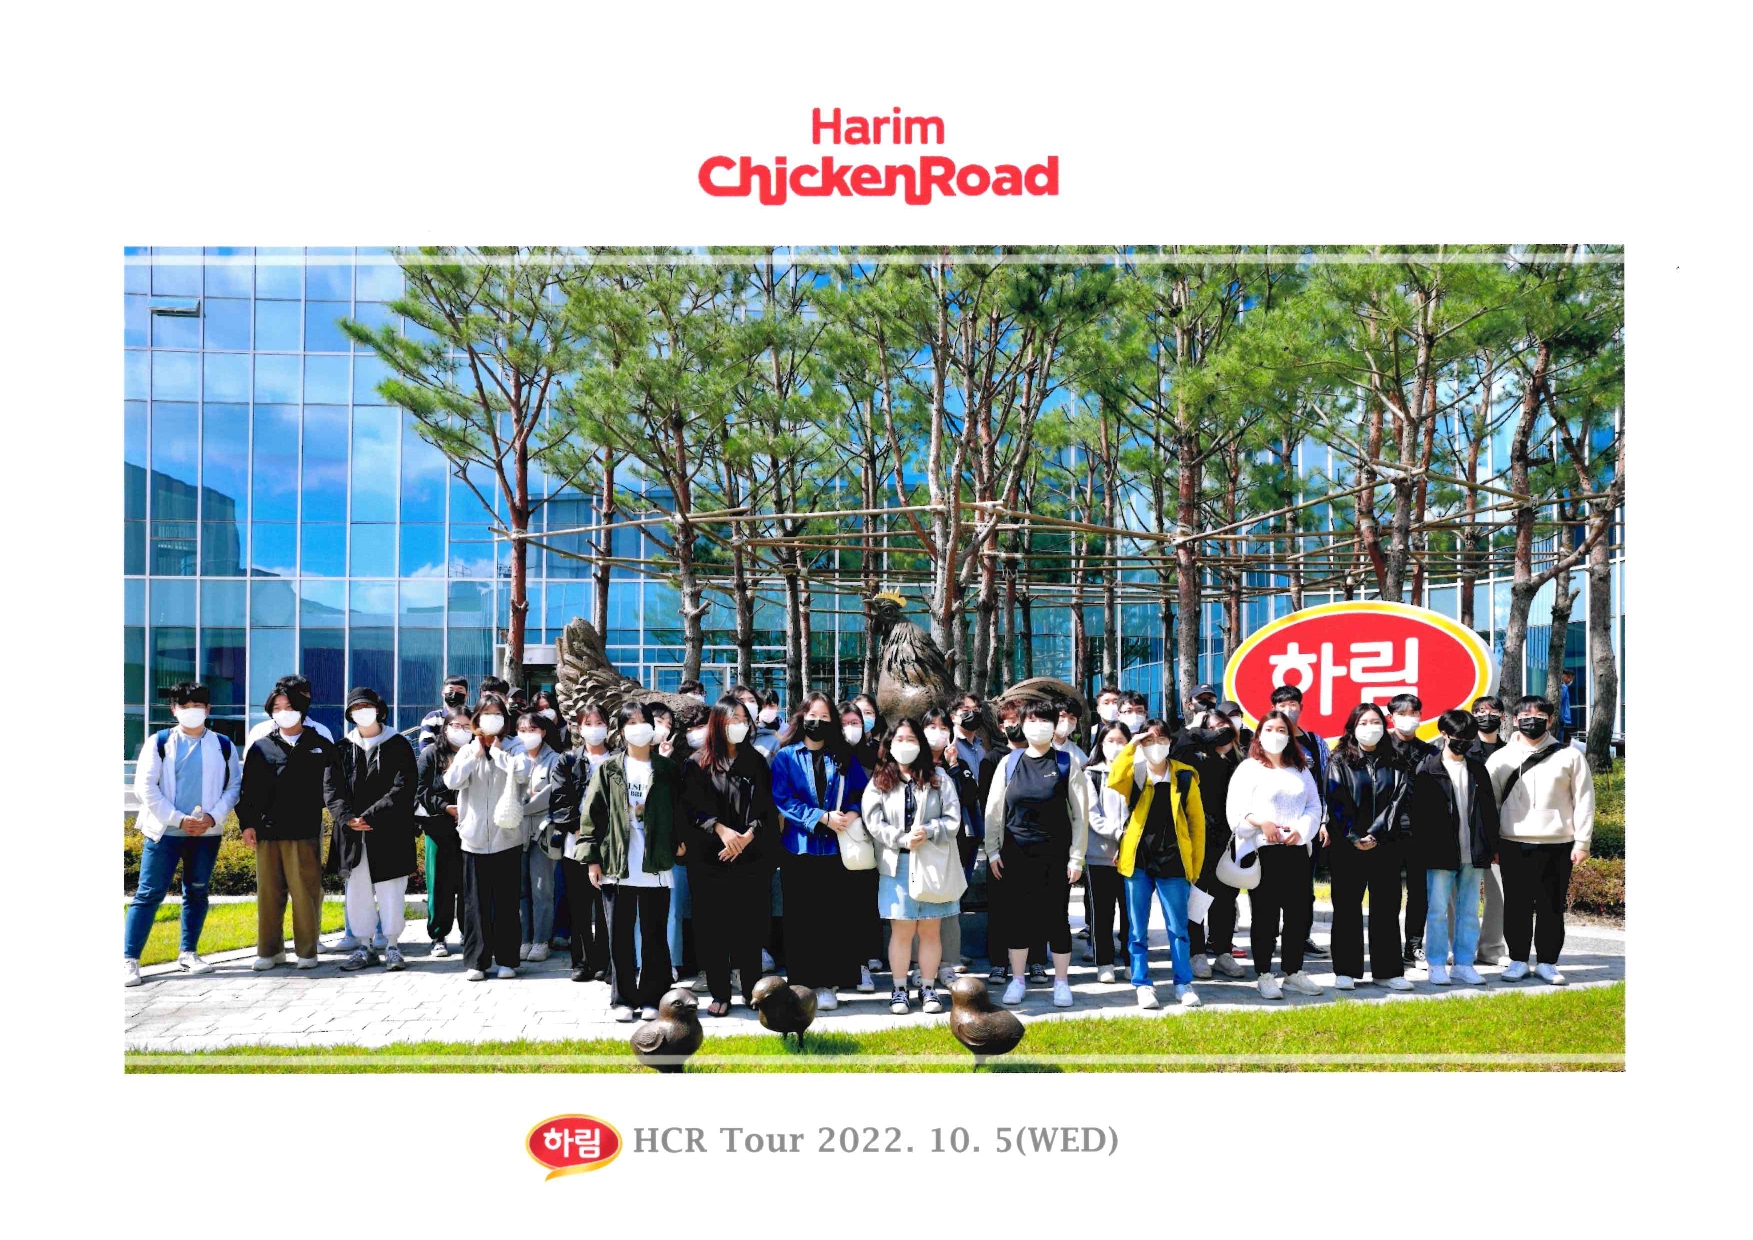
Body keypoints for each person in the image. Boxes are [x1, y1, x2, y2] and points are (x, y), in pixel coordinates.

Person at [125, 682, 243, 985]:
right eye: (184, 706)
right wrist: (178, 819)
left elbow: (234, 786)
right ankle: (129, 959)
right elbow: (145, 787)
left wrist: (212, 817)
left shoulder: (223, 744)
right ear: (174, 710)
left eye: (197, 706)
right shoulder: (160, 742)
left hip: (206, 833)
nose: (192, 711)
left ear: (208, 709)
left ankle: (188, 952)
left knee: (197, 891)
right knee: (149, 894)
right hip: (164, 833)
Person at [982, 700, 1091, 1009]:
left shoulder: (1066, 763)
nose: (1038, 726)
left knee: (1056, 919)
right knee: (1018, 918)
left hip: (1056, 857)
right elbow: (994, 810)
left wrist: (1077, 857)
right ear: (1022, 725)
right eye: (1032, 720)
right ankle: (1017, 980)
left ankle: (1061, 982)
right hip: (1014, 855)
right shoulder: (1009, 763)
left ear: (1054, 725)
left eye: (1045, 720)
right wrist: (992, 851)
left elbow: (1080, 816)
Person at [579, 702, 684, 1021]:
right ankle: (622, 999)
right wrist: (592, 859)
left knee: (655, 935)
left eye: (644, 721)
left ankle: (653, 998)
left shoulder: (666, 769)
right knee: (619, 936)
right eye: (632, 722)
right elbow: (591, 815)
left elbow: (680, 809)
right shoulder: (609, 769)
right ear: (622, 731)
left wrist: (680, 842)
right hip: (617, 863)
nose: (639, 727)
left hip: (655, 863)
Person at [769, 692, 872, 1010]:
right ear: (801, 718)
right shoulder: (786, 757)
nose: (818, 722)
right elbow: (783, 799)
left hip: (836, 849)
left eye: (825, 717)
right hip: (798, 848)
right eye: (812, 716)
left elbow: (861, 792)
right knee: (800, 918)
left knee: (833, 917)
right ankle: (801, 982)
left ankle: (829, 983)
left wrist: (851, 813)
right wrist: (821, 817)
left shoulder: (843, 756)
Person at [679, 696, 780, 1017]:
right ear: (718, 722)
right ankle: (720, 992)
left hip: (751, 857)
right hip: (710, 860)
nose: (739, 724)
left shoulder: (756, 761)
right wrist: (721, 831)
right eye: (732, 718)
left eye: (743, 718)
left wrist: (747, 836)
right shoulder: (697, 763)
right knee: (713, 929)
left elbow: (767, 808)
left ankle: (752, 989)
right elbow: (690, 811)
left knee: (749, 928)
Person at [1488, 695, 1595, 985]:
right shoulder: (1500, 758)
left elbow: (1584, 800)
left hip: (1558, 843)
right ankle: (1518, 961)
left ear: (1550, 720)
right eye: (1525, 716)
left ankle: (1548, 962)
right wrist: (1492, 844)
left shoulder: (1570, 756)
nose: (1531, 721)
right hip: (1512, 842)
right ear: (1514, 720)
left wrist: (1582, 842)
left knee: (1552, 906)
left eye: (1538, 717)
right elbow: (1490, 805)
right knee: (1516, 905)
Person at [862, 717, 965, 1015]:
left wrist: (929, 830)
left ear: (920, 744)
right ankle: (899, 989)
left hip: (931, 863)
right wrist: (900, 838)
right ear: (889, 744)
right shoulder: (880, 780)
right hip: (897, 864)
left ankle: (928, 987)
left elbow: (953, 819)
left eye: (911, 739)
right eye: (899, 739)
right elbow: (873, 820)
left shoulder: (938, 777)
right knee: (902, 930)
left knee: (931, 929)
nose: (905, 745)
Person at [1227, 709, 1325, 999]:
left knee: (1299, 914)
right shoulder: (1248, 769)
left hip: (1296, 850)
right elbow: (1236, 811)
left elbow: (1314, 806)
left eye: (1282, 730)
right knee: (1265, 916)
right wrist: (1261, 823)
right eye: (1269, 729)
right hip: (1263, 852)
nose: (1276, 735)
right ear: (1259, 734)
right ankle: (1264, 973)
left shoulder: (1300, 769)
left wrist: (1302, 829)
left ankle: (1293, 971)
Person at [1107, 718, 1205, 1009]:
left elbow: (1197, 824)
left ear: (1170, 742)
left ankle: (1183, 983)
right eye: (1149, 740)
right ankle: (1142, 983)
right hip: (1138, 860)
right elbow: (1114, 778)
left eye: (1161, 739)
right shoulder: (1135, 772)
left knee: (1178, 928)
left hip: (1174, 860)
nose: (1156, 746)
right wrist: (1132, 745)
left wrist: (1195, 867)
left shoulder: (1184, 776)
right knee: (1137, 929)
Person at [237, 681, 334, 971]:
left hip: (304, 830)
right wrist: (247, 824)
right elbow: (248, 791)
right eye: (277, 708)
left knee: (305, 892)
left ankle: (307, 951)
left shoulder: (320, 745)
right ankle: (270, 951)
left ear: (301, 709)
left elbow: (333, 788)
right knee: (269, 893)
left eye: (289, 707)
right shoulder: (261, 747)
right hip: (267, 831)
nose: (283, 712)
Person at [323, 686, 418, 972]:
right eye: (355, 708)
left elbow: (403, 787)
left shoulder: (398, 745)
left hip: (389, 831)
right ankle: (363, 946)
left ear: (379, 710)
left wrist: (371, 816)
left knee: (391, 890)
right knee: (358, 890)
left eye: (366, 706)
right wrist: (348, 818)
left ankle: (392, 945)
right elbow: (331, 789)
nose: (361, 712)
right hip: (352, 833)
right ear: (349, 714)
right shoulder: (342, 748)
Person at [1404, 710, 1501, 986]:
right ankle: (1436, 963)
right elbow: (1415, 814)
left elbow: (1489, 812)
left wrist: (1492, 846)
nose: (1464, 742)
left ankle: (1464, 964)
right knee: (1436, 911)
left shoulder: (1478, 769)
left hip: (1473, 850)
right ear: (1444, 734)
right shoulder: (1427, 769)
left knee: (1469, 911)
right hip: (1438, 851)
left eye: (1469, 738)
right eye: (1459, 737)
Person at [1324, 703, 1415, 991]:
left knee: (1386, 909)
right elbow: (1336, 800)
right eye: (1363, 723)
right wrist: (1354, 836)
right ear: (1352, 727)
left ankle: (1387, 971)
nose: (1370, 728)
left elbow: (1398, 800)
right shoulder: (1339, 760)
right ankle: (1345, 970)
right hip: (1347, 847)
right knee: (1347, 908)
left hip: (1386, 845)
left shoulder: (1396, 760)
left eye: (1375, 722)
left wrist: (1375, 834)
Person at [443, 693, 531, 980]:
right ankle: (477, 961)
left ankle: (507, 960)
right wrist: (476, 756)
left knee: (507, 902)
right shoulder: (468, 749)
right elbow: (451, 781)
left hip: (507, 837)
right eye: (486, 714)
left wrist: (499, 754)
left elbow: (523, 773)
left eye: (497, 714)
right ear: (477, 719)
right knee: (475, 904)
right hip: (474, 839)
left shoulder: (515, 746)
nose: (492, 719)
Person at [1175, 709, 1244, 980]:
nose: (1221, 733)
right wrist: (1197, 732)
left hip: (1232, 838)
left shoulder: (1240, 758)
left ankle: (1224, 951)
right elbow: (1177, 749)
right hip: (1200, 837)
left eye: (1225, 727)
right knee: (1198, 894)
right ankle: (1196, 952)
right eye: (1213, 728)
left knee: (1226, 896)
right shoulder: (1196, 755)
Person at [1271, 684, 1332, 961]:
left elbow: (1325, 785)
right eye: (1282, 706)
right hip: (1271, 828)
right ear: (1273, 709)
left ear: (1301, 707)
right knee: (1270, 887)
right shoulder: (1264, 742)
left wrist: (1323, 821)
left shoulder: (1315, 742)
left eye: (1292, 705)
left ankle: (1300, 937)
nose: (1288, 710)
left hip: (1306, 827)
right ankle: (1268, 938)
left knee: (1303, 887)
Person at [976, 697, 1028, 984]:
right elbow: (988, 807)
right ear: (1000, 726)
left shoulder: (1044, 757)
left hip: (1035, 844)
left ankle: (1035, 960)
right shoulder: (993, 759)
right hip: (1004, 843)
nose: (1015, 725)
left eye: (1020, 720)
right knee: (1000, 907)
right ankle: (998, 962)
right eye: (1010, 721)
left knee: (1033, 905)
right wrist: (992, 848)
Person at [926, 707, 977, 984]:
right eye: (932, 727)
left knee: (949, 905)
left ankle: (948, 962)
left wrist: (954, 766)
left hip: (951, 844)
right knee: (921, 907)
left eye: (943, 728)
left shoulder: (957, 764)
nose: (938, 733)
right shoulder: (913, 764)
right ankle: (921, 965)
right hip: (920, 845)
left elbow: (970, 796)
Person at [416, 708, 470, 956]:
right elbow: (421, 791)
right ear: (445, 728)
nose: (461, 731)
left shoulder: (477, 753)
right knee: (439, 883)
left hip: (470, 829)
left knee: (468, 883)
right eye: (456, 725)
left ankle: (468, 931)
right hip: (438, 827)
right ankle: (438, 935)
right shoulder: (430, 754)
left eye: (467, 726)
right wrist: (445, 807)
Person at [1081, 721, 1132, 983]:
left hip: (1132, 855)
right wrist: (1120, 835)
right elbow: (1093, 816)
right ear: (1100, 744)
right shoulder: (1091, 774)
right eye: (1110, 740)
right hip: (1100, 854)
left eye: (1121, 741)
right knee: (1102, 912)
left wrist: (1129, 841)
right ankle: (1104, 962)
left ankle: (1131, 960)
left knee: (1131, 913)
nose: (1116, 746)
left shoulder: (1137, 772)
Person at [1386, 691, 1434, 966]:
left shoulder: (1430, 752)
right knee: (1389, 894)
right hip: (1388, 833)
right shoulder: (1381, 749)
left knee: (1419, 893)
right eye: (1402, 714)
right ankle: (1390, 945)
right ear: (1391, 717)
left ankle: (1414, 945)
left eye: (1413, 713)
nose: (1408, 718)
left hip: (1421, 833)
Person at [515, 710, 566, 962]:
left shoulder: (556, 759)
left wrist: (520, 805)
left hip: (543, 831)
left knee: (541, 888)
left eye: (533, 729)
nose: (528, 735)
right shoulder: (512, 758)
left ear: (543, 732)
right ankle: (524, 939)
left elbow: (550, 794)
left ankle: (541, 940)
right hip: (516, 831)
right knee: (521, 889)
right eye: (522, 730)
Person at [1467, 694, 1511, 965]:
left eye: (1493, 712)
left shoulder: (1511, 753)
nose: (1487, 716)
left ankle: (1492, 949)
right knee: (1460, 894)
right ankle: (1458, 947)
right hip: (1466, 830)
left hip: (1500, 831)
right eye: (1480, 712)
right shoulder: (1462, 749)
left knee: (1499, 893)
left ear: (1503, 717)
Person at [419, 675, 470, 746]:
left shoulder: (473, 718)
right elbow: (425, 746)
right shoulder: (432, 718)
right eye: (451, 690)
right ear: (443, 693)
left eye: (459, 691)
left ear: (466, 695)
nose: (454, 694)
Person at [1087, 685, 1122, 751]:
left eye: (1115, 702)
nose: (1111, 706)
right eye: (1106, 703)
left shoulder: (1129, 731)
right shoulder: (1091, 733)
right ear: (1098, 709)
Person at [752, 689, 785, 758]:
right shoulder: (752, 732)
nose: (768, 710)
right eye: (764, 706)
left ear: (778, 707)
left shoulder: (788, 731)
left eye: (772, 706)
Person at [1557, 670, 1576, 744]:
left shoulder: (1561, 687)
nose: (1570, 681)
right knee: (1559, 740)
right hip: (1561, 717)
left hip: (1560, 717)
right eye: (1570, 678)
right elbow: (1560, 700)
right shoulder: (1564, 687)